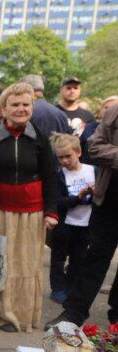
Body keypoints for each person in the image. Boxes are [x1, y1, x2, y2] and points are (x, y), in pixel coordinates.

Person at [0, 83, 58, 333]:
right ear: (4, 108)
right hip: (1, 212)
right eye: (15, 104)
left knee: (26, 264)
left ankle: (23, 314)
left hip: (32, 213)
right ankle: (2, 314)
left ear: (32, 107)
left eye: (26, 104)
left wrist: (51, 212)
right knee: (1, 264)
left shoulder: (41, 139)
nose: (21, 109)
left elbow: (51, 177)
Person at [48, 101, 118, 328]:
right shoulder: (114, 111)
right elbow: (94, 145)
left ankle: (116, 314)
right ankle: (73, 314)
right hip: (109, 199)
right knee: (95, 257)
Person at [47, 133, 95, 305]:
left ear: (79, 152)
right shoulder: (59, 175)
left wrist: (94, 195)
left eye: (68, 156)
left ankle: (70, 286)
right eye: (61, 157)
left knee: (78, 258)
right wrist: (79, 197)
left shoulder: (92, 171)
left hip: (85, 224)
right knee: (58, 258)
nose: (65, 161)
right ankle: (58, 288)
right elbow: (58, 201)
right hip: (65, 224)